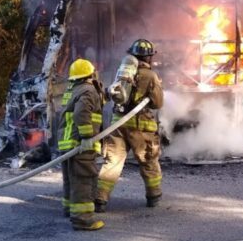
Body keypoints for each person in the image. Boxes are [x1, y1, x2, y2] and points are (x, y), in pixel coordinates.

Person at [96, 39, 164, 212]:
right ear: (148, 58)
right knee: (148, 160)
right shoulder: (150, 76)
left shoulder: (121, 72)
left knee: (112, 162)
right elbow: (157, 103)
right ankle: (153, 196)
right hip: (141, 128)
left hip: (117, 125)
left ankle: (100, 199)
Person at [57, 58, 105, 231]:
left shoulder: (72, 90)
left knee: (71, 179)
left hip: (67, 143)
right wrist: (87, 136)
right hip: (79, 143)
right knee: (83, 180)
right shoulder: (88, 90)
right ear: (90, 74)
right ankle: (82, 219)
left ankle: (69, 209)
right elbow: (81, 113)